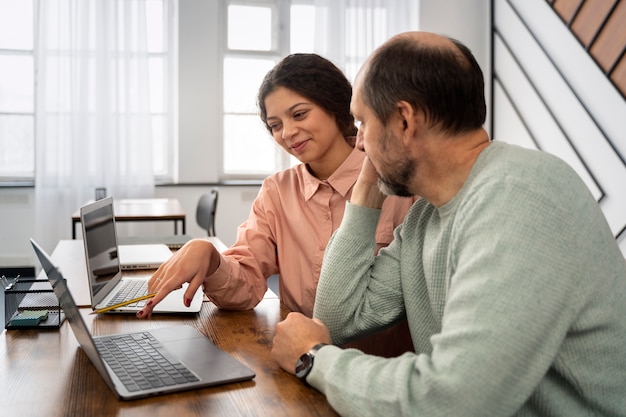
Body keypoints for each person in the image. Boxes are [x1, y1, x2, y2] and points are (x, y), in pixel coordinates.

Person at [271, 31, 626, 416]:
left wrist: (314, 360)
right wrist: (365, 198)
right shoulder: (427, 213)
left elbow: (454, 401)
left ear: (405, 121)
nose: (359, 144)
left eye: (363, 123)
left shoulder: (519, 194)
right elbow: (339, 319)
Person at [138, 53, 414, 356]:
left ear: (335, 105)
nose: (287, 133)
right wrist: (211, 258)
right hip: (300, 362)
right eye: (275, 125)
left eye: (299, 114)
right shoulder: (276, 191)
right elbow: (245, 285)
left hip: (381, 368)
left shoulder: (398, 181)